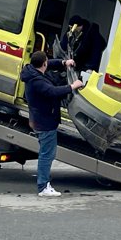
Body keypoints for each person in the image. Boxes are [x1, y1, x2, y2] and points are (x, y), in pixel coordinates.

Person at [20, 51, 83, 197]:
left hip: (40, 119)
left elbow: (51, 64)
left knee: (46, 153)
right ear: (44, 63)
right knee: (47, 155)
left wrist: (63, 62)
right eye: (47, 62)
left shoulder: (32, 71)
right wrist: (72, 86)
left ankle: (44, 181)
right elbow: (53, 91)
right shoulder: (37, 81)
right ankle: (43, 187)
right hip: (45, 122)